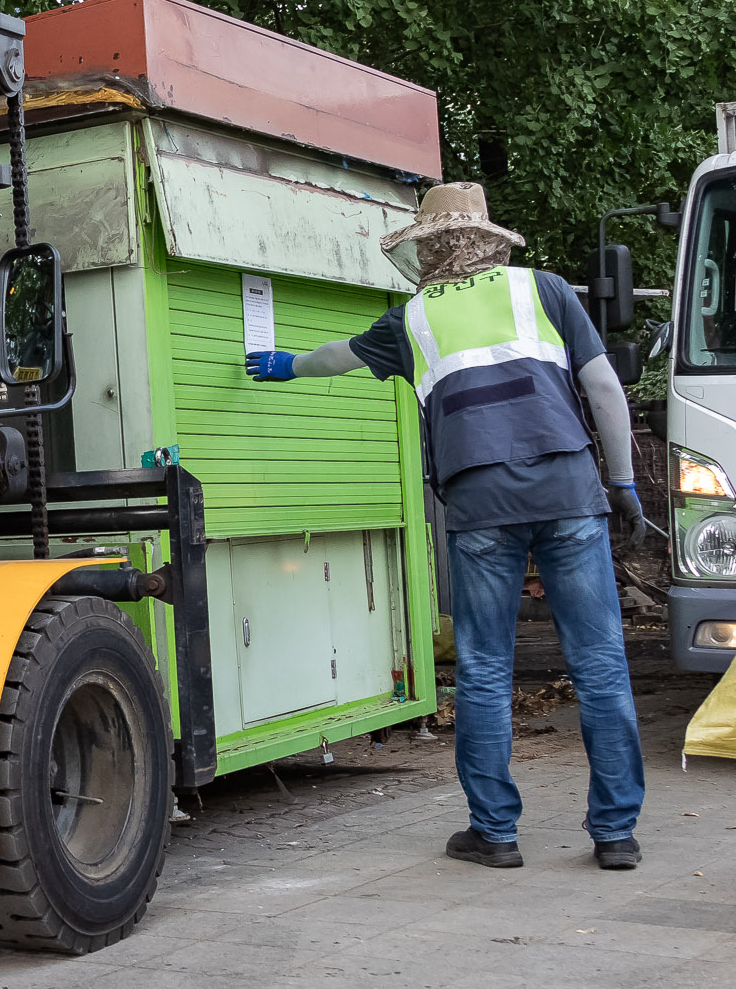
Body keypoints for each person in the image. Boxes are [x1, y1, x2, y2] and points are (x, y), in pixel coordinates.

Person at [245, 183, 647, 870]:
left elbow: (335, 356)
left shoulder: (411, 319)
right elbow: (606, 390)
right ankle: (614, 833)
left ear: (426, 248)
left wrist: (284, 366)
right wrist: (623, 481)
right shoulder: (544, 291)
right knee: (602, 663)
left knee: (486, 670)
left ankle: (494, 833)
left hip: (480, 503)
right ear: (489, 238)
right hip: (569, 490)